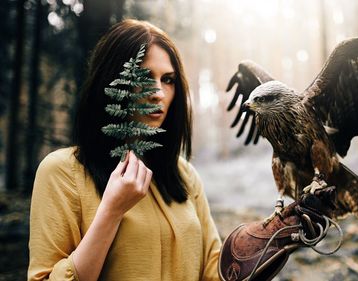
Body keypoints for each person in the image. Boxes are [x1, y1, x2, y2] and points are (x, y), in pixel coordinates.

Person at [28, 19, 221, 281]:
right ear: (111, 81)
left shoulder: (183, 173)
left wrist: (268, 240)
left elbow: (214, 270)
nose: (158, 93)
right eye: (144, 77)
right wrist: (111, 211)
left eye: (168, 80)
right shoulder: (62, 172)